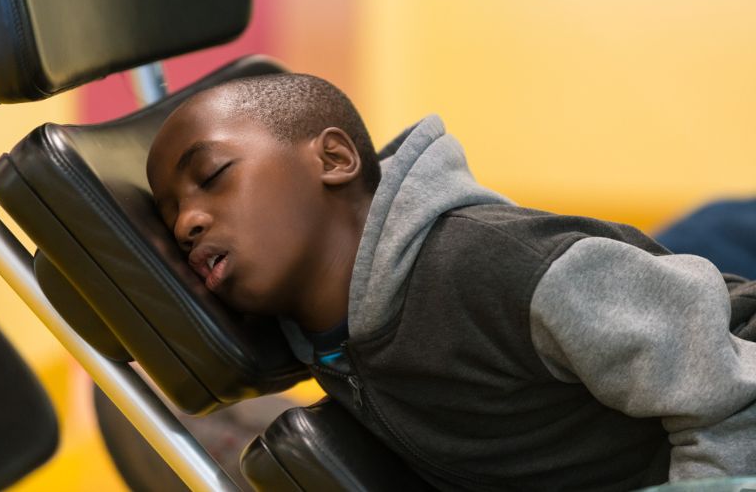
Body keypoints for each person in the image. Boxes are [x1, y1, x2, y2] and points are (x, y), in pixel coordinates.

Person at [146, 73, 756, 491]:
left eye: (213, 175)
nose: (189, 221)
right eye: (173, 218)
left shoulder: (507, 268)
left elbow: (734, 404)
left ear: (333, 160)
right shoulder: (333, 337)